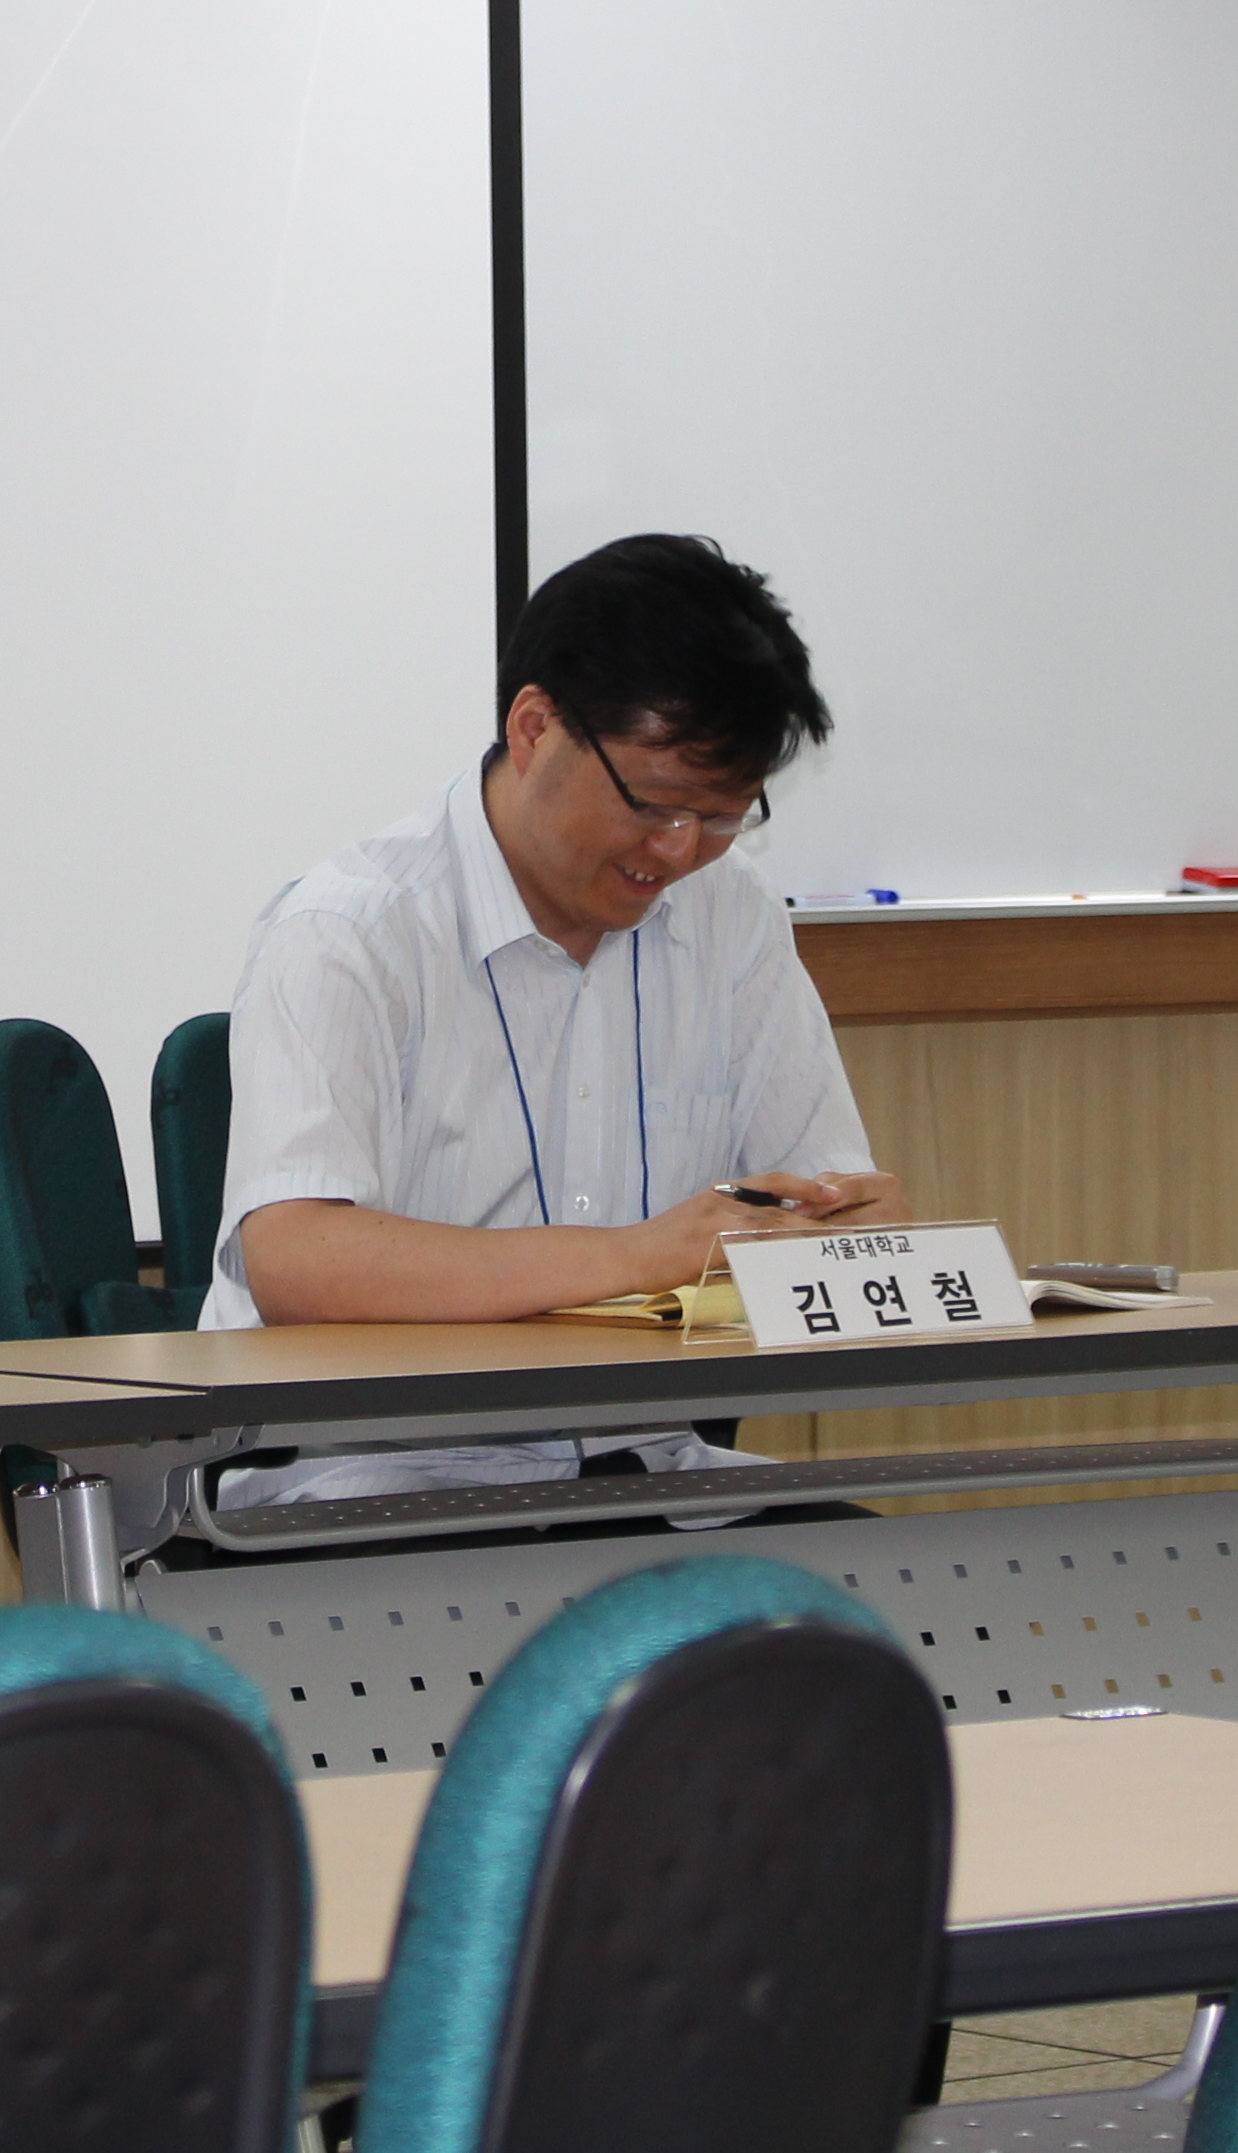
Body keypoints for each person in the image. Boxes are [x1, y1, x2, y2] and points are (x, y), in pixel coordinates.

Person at [203, 534, 895, 1514]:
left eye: (721, 817)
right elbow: (297, 1260)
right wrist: (636, 1256)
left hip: (649, 1472)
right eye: (655, 805)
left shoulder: (731, 913)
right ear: (534, 728)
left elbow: (833, 1202)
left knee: (885, 1578)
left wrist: (845, 1223)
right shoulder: (349, 930)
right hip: (370, 1480)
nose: (679, 852)